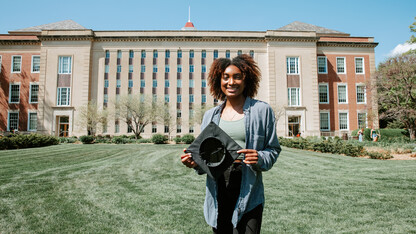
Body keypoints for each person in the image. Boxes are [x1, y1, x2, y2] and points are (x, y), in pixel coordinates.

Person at [181, 54, 281, 233]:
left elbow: (273, 149)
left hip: (249, 186)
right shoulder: (210, 116)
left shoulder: (262, 111)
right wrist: (195, 163)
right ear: (218, 81)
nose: (231, 82)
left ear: (246, 79)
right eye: (225, 77)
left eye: (237, 76)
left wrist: (259, 157)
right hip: (218, 188)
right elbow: (206, 157)